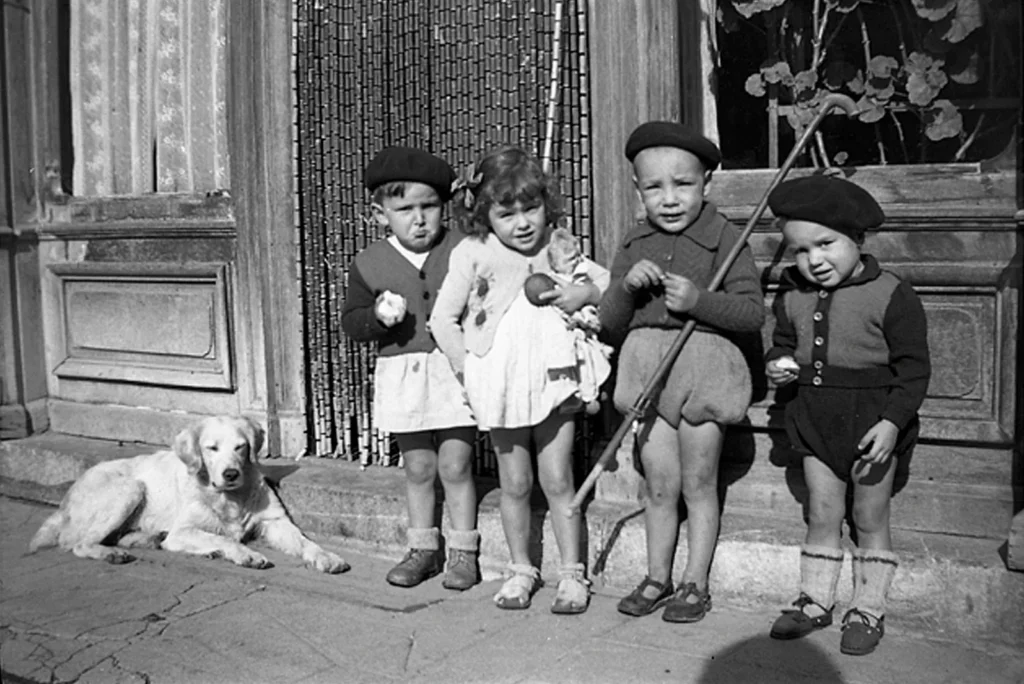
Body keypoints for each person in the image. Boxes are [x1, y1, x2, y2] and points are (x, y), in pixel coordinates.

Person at [429, 146, 608, 614]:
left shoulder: (559, 245)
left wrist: (581, 290)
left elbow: (604, 284)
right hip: (502, 385)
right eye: (507, 214)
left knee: (557, 478)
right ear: (485, 215)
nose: (523, 222)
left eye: (532, 208)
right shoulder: (473, 252)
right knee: (514, 481)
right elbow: (443, 320)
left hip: (553, 381)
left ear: (547, 205)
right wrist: (469, 370)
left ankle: (572, 574)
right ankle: (521, 568)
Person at [600, 122, 765, 624]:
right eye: (654, 187)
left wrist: (700, 301)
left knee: (698, 481)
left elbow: (752, 313)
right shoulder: (634, 241)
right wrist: (627, 288)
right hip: (648, 371)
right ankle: (657, 575)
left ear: (707, 184)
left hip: (704, 370)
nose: (669, 199)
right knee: (658, 483)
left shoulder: (725, 237)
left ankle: (695, 581)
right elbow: (610, 324)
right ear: (638, 190)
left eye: (684, 184)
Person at [764, 174, 930, 656]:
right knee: (821, 511)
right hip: (814, 420)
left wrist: (892, 422)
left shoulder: (891, 292)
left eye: (826, 244)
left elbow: (914, 369)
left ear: (857, 239)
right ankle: (816, 600)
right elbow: (780, 344)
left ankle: (868, 608)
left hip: (872, 424)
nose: (813, 260)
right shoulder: (791, 294)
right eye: (799, 250)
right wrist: (778, 366)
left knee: (869, 514)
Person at [341, 145, 480, 591]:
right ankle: (423, 548)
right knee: (419, 467)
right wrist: (377, 318)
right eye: (404, 209)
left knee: (456, 465)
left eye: (430, 207)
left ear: (445, 208)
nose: (419, 219)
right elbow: (351, 322)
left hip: (454, 370)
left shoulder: (464, 249)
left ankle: (463, 552)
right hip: (402, 373)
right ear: (381, 214)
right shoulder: (369, 263)